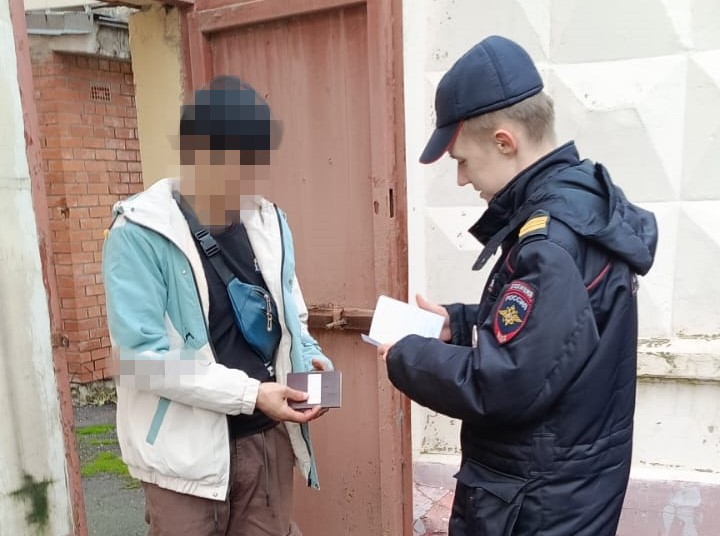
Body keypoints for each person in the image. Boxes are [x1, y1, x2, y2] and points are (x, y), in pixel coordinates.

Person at [379, 36, 658, 535]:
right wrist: (459, 324)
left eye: (462, 160)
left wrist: (408, 354)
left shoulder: (551, 241)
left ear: (504, 142)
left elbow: (502, 383)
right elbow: (556, 336)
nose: (461, 179)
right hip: (561, 492)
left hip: (534, 508)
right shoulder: (580, 208)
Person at [102, 75, 332, 536]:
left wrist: (310, 359)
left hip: (265, 442)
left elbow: (293, 318)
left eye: (253, 160)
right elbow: (141, 360)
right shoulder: (139, 234)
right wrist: (250, 394)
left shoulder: (268, 221)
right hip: (182, 460)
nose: (244, 178)